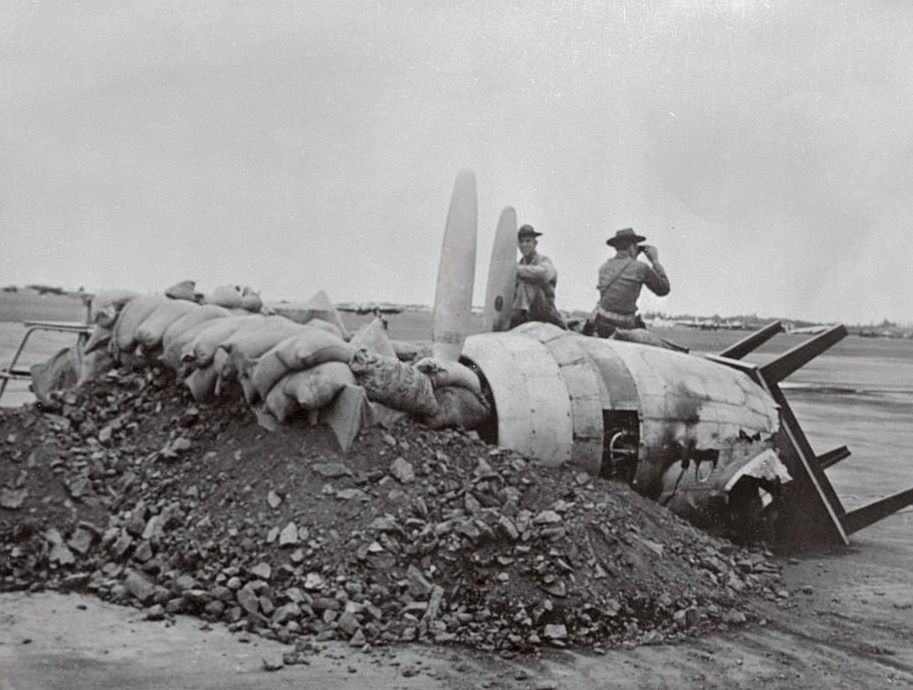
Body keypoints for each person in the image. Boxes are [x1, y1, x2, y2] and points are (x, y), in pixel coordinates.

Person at [590, 227, 670, 338]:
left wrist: (632, 258)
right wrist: (655, 261)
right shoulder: (640, 268)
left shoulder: (604, 268)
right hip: (626, 325)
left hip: (603, 324)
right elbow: (664, 289)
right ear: (632, 247)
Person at [510, 224, 566, 329]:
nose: (524, 244)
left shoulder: (544, 261)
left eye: (528, 241)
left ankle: (519, 316)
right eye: (521, 241)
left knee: (527, 281)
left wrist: (515, 270)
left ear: (535, 243)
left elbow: (544, 274)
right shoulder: (520, 264)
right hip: (527, 311)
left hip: (545, 311)